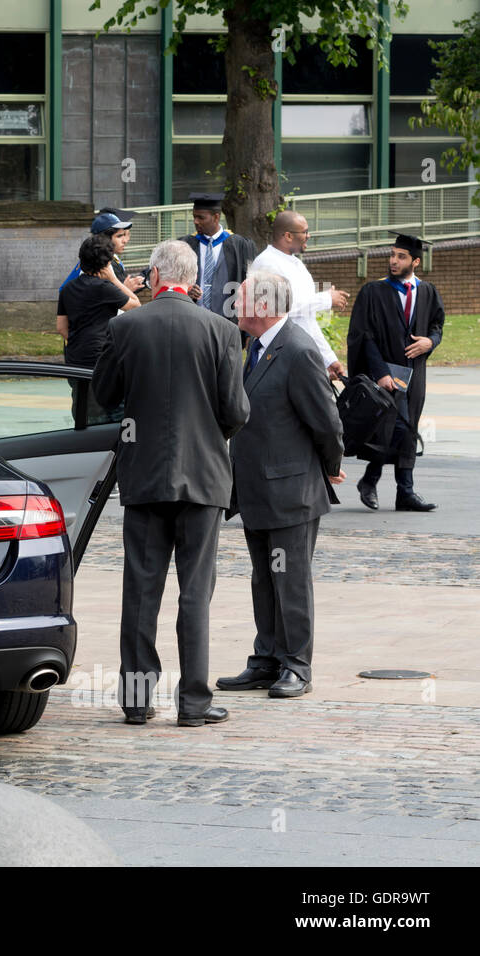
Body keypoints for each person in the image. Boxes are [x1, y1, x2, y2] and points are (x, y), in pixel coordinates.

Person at [91, 239, 250, 727]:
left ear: (156, 277)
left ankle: (137, 702)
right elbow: (237, 411)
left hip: (144, 475)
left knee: (141, 591)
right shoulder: (221, 329)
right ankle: (195, 703)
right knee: (195, 593)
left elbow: (103, 395)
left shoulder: (125, 326)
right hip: (202, 477)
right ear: (192, 279)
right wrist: (208, 435)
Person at [218, 272, 346, 699]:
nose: (236, 301)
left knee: (288, 578)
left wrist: (331, 467)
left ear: (265, 306)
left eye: (244, 297)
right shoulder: (256, 346)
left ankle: (296, 664)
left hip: (291, 490)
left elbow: (326, 422)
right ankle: (266, 659)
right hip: (255, 487)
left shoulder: (297, 350)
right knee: (263, 578)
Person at [347, 233, 446, 512]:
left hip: (415, 373)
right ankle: (381, 482)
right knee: (394, 428)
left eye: (401, 256)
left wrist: (430, 342)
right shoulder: (373, 292)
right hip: (385, 373)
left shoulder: (427, 292)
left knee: (408, 428)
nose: (393, 260)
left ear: (415, 261)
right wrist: (379, 373)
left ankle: (399, 491)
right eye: (392, 255)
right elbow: (362, 335)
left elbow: (438, 325)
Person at [250, 210, 349, 381]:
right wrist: (326, 299)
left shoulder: (295, 264)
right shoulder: (267, 263)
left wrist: (328, 358)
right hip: (277, 355)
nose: (308, 236)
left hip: (297, 350)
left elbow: (306, 320)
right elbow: (281, 307)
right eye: (304, 231)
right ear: (288, 235)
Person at [56, 233, 140, 368]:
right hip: (101, 355)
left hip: (75, 355)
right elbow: (136, 305)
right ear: (107, 264)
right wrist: (113, 279)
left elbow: (61, 327)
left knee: (80, 389)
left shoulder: (67, 288)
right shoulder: (105, 288)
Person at [180, 192, 257, 331]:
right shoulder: (185, 244)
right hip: (192, 321)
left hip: (228, 322)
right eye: (194, 217)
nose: (195, 221)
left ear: (216, 217)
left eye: (200, 217)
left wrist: (248, 331)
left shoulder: (240, 245)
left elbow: (251, 286)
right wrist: (186, 291)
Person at [60, 210, 146, 292]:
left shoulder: (106, 258)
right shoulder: (100, 264)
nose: (125, 241)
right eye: (119, 236)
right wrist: (125, 290)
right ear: (104, 239)